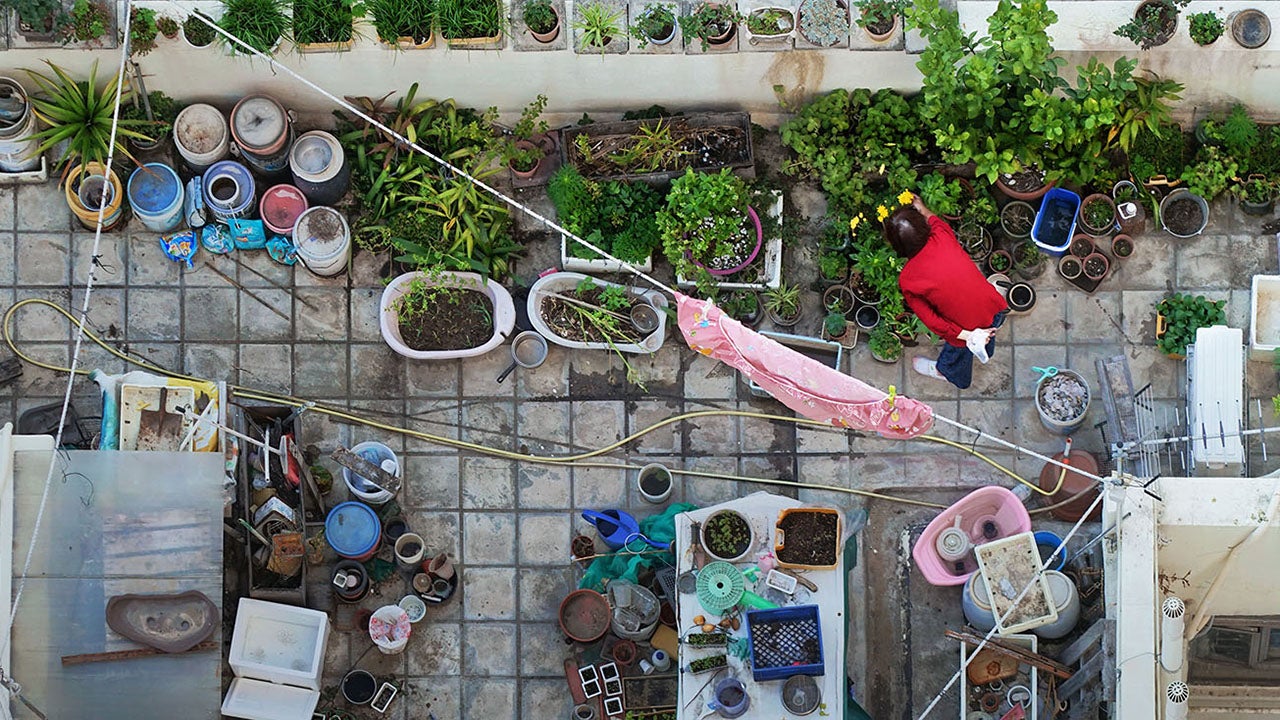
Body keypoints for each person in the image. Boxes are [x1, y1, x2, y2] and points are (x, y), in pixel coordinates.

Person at [882, 195, 1008, 390]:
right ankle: (985, 349)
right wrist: (921, 207)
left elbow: (933, 321)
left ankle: (948, 372)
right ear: (924, 227)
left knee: (958, 353)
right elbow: (931, 217)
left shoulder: (909, 279)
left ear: (898, 247)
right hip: (993, 307)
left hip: (965, 328)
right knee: (989, 333)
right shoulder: (941, 233)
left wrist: (966, 336)